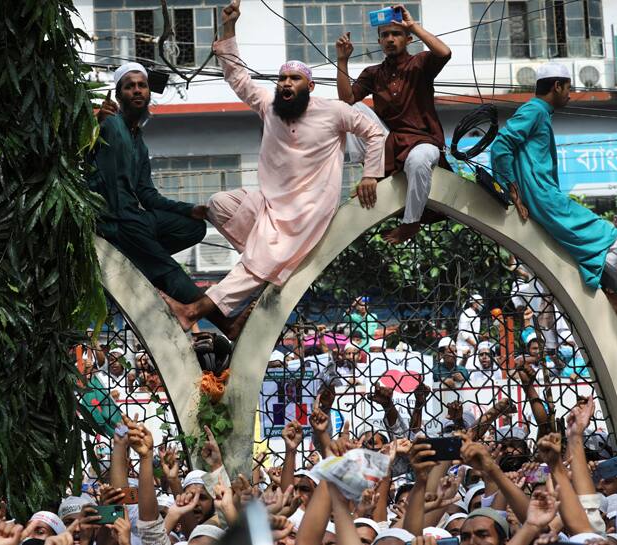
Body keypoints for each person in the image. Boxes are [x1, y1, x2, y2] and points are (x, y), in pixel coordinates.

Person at [162, 0, 385, 339]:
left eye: (294, 78)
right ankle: (271, 268)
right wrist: (230, 27)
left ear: (309, 87)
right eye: (282, 78)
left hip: (306, 214)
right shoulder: (270, 108)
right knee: (220, 204)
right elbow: (238, 77)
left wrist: (370, 174)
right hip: (270, 206)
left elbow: (374, 132)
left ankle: (192, 311)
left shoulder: (334, 112)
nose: (285, 83)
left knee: (262, 255)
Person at [490, 63, 617, 318]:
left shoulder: (539, 113)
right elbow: (500, 145)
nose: (570, 94)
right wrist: (512, 193)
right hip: (545, 199)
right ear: (557, 86)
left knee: (580, 250)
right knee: (607, 237)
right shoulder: (534, 110)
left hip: (543, 198)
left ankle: (612, 297)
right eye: (568, 88)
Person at [88, 62, 210, 314]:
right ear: (119, 94)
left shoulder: (138, 140)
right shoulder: (110, 125)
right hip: (117, 221)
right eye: (129, 86)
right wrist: (96, 122)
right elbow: (85, 149)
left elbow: (146, 193)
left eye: (142, 85)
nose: (137, 90)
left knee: (193, 228)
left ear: (148, 93)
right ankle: (224, 321)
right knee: (167, 269)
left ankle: (138, 259)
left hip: (137, 216)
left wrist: (189, 209)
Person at [335, 4, 451, 243]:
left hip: (423, 141)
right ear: (379, 42)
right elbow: (346, 100)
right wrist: (342, 60)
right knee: (354, 109)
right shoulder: (373, 73)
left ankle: (411, 223)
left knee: (418, 161)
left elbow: (444, 53)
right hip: (389, 142)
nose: (390, 39)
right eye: (385, 35)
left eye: (396, 34)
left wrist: (414, 26)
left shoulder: (419, 64)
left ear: (408, 39)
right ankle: (369, 171)